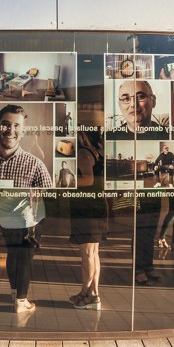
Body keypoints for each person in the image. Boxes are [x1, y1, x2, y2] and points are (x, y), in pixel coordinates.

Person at [0, 105, 52, 313]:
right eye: (6, 124)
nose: (11, 130)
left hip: (30, 221)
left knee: (19, 256)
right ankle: (21, 300)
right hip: (6, 220)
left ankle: (16, 293)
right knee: (18, 257)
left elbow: (50, 195)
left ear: (23, 130)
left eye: (17, 125)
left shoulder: (36, 165)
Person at [69, 130, 108, 310]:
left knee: (87, 254)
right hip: (95, 206)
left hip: (87, 208)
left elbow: (88, 180)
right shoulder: (95, 152)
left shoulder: (83, 154)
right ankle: (94, 294)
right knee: (93, 254)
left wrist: (65, 180)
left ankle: (85, 293)